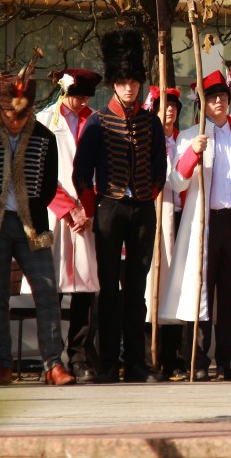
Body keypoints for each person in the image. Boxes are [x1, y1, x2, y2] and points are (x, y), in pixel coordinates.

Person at [0, 66, 74, 386]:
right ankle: (3, 363)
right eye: (11, 115)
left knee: (46, 294)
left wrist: (33, 209)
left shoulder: (44, 137)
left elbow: (50, 185)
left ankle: (53, 364)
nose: (17, 121)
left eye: (22, 116)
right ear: (0, 109)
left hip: (32, 227)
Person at [72, 29, 167, 383]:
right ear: (114, 83)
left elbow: (160, 167)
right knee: (109, 291)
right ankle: (110, 362)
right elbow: (82, 174)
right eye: (124, 81)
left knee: (138, 291)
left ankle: (137, 363)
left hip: (142, 210)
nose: (130, 87)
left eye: (135, 81)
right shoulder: (97, 122)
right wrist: (93, 208)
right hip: (110, 210)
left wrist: (147, 193)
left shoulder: (150, 122)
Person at [159, 71, 231, 382]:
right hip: (201, 225)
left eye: (223, 96)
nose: (218, 101)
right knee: (199, 291)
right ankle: (197, 359)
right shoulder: (189, 136)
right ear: (203, 104)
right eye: (212, 97)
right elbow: (176, 181)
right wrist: (193, 153)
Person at [37, 68, 103, 383]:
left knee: (85, 289)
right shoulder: (43, 121)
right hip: (54, 212)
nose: (81, 103)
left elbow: (102, 170)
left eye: (87, 97)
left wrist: (86, 210)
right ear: (64, 92)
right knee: (52, 288)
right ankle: (51, 359)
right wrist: (68, 208)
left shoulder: (98, 122)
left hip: (87, 217)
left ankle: (80, 357)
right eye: (77, 96)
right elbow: (37, 173)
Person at [142, 85, 188, 381]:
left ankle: (173, 358)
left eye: (173, 105)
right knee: (152, 287)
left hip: (180, 215)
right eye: (163, 105)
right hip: (155, 216)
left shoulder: (183, 140)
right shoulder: (147, 139)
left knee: (177, 286)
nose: (169, 109)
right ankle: (150, 358)